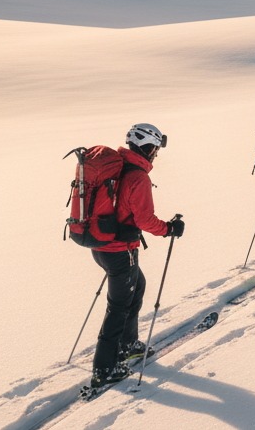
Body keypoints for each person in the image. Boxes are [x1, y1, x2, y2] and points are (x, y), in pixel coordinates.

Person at [89, 123, 183, 390]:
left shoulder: (117, 166)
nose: (156, 155)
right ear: (150, 148)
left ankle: (128, 344)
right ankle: (105, 368)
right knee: (118, 307)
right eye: (156, 150)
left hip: (102, 245)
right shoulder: (137, 176)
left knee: (136, 287)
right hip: (120, 251)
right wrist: (169, 229)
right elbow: (144, 219)